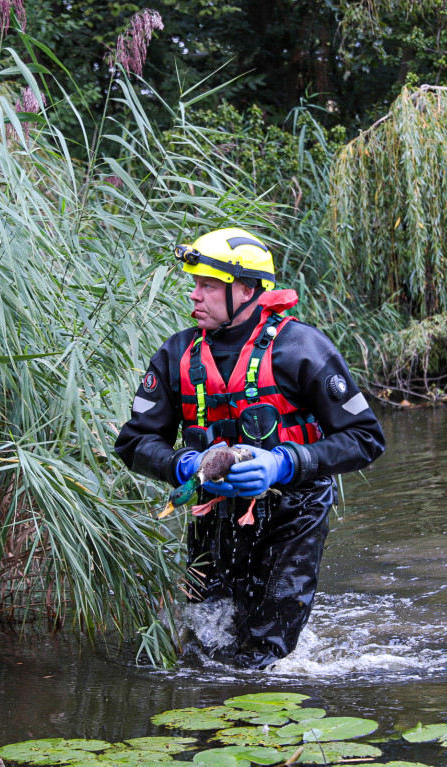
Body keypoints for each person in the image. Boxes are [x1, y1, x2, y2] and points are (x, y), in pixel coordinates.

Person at [114, 227, 385, 669]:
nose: (194, 296)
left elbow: (366, 438)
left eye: (206, 286)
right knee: (204, 648)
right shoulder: (176, 354)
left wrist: (283, 462)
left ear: (244, 289)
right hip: (212, 515)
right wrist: (182, 464)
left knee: (260, 657)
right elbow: (133, 442)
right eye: (194, 285)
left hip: (293, 514)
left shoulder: (303, 348)